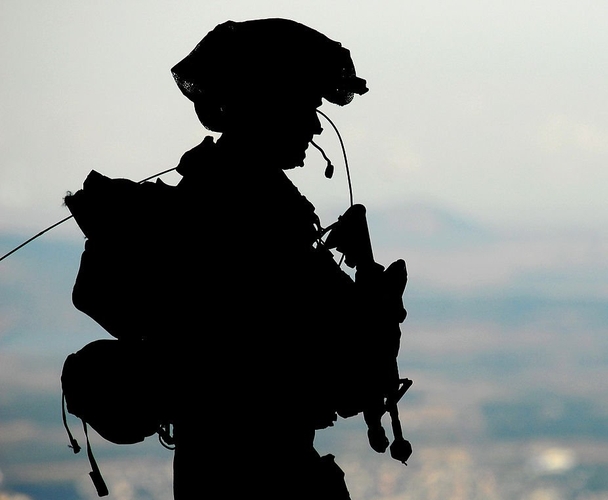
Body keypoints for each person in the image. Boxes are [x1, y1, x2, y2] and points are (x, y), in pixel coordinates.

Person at [64, 18, 407, 499]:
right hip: (266, 474)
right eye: (306, 106)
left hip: (211, 468)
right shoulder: (258, 214)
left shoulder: (212, 196)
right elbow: (351, 375)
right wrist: (378, 297)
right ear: (269, 107)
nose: (313, 125)